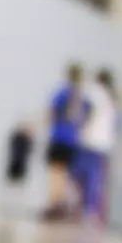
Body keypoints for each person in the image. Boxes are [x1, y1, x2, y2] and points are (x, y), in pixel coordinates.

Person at [44, 63, 90, 220]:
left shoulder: (63, 93)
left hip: (59, 137)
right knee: (65, 174)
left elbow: (50, 112)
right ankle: (64, 204)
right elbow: (85, 118)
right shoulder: (81, 97)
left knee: (55, 172)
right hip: (73, 140)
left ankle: (54, 204)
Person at [77, 69, 119, 223]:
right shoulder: (112, 97)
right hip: (104, 144)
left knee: (82, 174)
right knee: (94, 177)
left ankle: (87, 208)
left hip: (90, 140)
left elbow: (84, 111)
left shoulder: (95, 93)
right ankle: (91, 209)